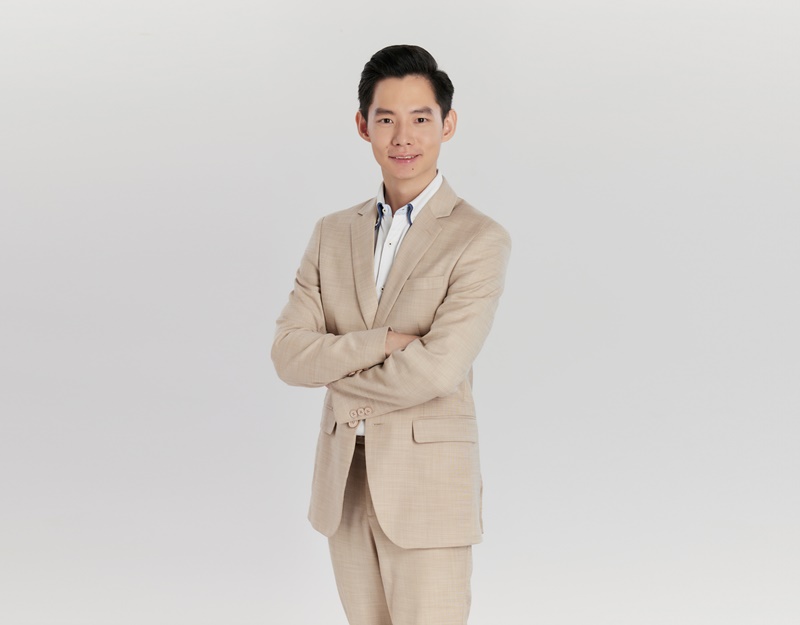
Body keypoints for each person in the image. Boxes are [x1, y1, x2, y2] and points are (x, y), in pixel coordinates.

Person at [272, 44, 511, 625]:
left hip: (428, 489)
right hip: (344, 485)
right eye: (386, 119)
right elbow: (288, 355)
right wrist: (381, 343)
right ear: (363, 126)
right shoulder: (331, 233)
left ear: (447, 125)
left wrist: (335, 376)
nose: (403, 137)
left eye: (420, 118)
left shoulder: (479, 239)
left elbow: (437, 370)